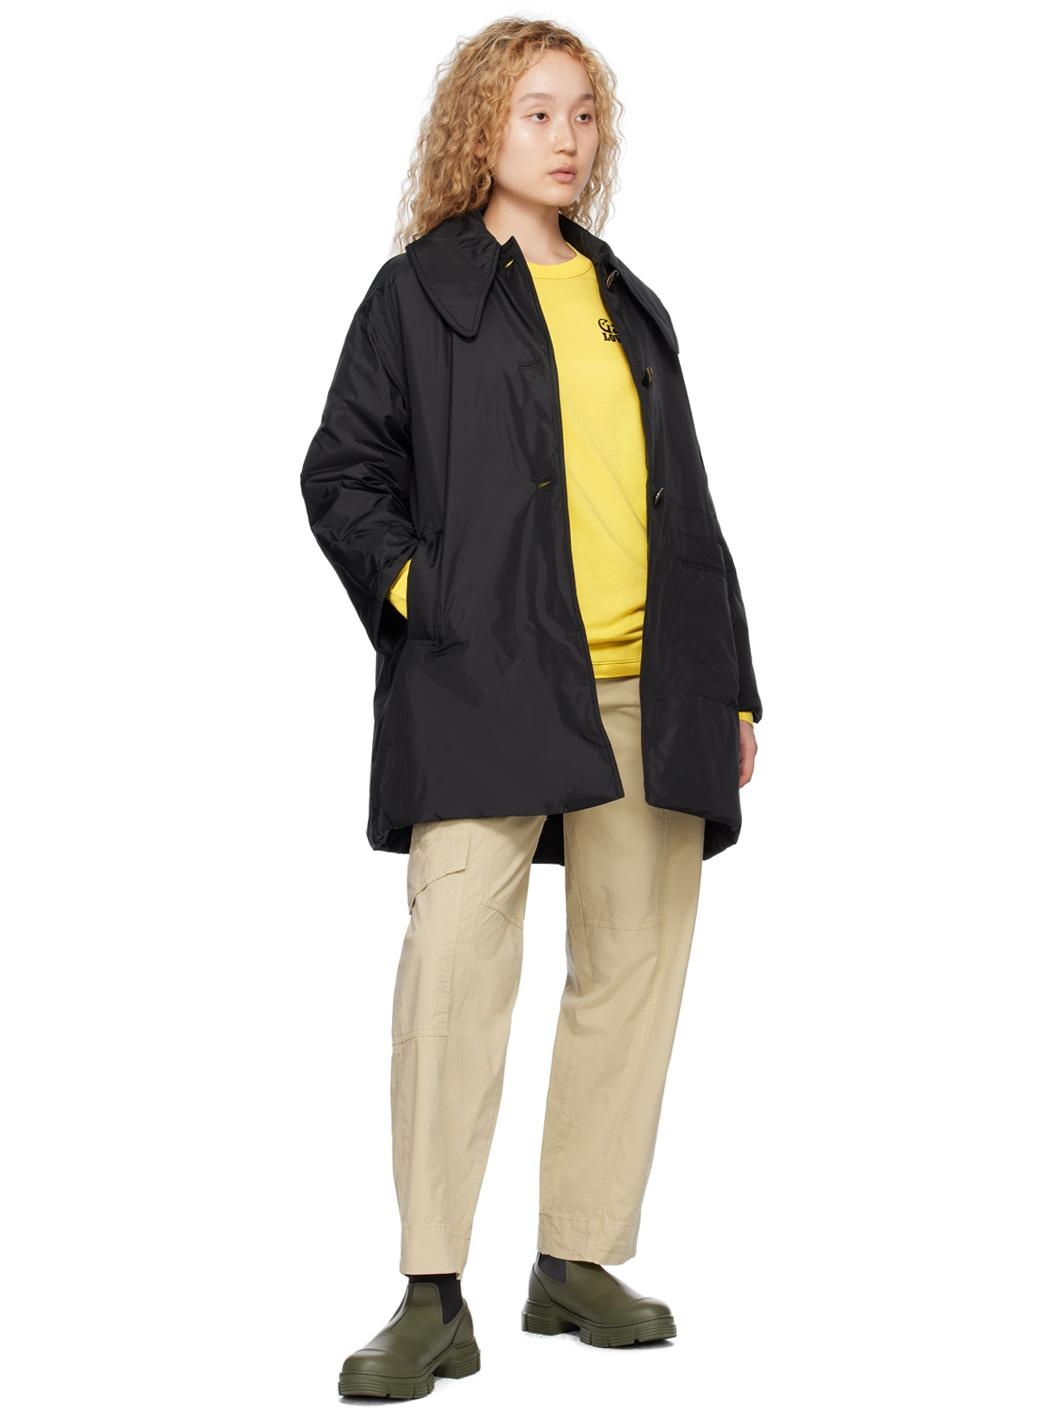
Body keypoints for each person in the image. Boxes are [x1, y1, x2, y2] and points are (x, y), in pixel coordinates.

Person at [300, 16, 763, 1400]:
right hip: (485, 672)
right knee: (454, 973)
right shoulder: (420, 293)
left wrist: (732, 681)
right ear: (480, 129)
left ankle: (574, 1259)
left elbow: (685, 503)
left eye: (584, 115)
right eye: (537, 113)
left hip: (649, 681)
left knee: (632, 968)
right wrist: (424, 593)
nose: (568, 140)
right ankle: (430, 1291)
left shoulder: (629, 302)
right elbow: (342, 472)